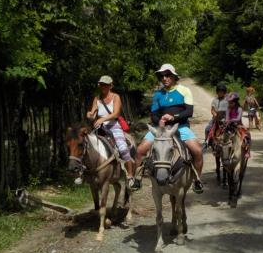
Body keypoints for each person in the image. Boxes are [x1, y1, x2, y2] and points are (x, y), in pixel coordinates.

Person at [130, 64, 204, 193]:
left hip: (181, 127)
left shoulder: (184, 90)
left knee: (197, 151)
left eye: (167, 75)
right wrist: (159, 121)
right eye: (162, 76)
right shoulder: (158, 94)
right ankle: (137, 178)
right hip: (160, 129)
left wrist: (173, 117)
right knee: (140, 150)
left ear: (174, 77)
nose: (164, 78)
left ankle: (197, 180)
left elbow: (189, 112)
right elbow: (153, 114)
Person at [86, 75, 135, 181]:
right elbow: (93, 113)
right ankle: (84, 173)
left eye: (106, 85)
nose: (103, 87)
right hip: (99, 127)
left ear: (110, 86)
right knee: (87, 145)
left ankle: (130, 175)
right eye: (102, 84)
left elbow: (116, 113)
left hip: (113, 126)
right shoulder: (97, 98)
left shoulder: (115, 97)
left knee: (122, 148)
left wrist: (103, 119)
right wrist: (90, 115)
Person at [226, 92, 251, 158]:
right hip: (229, 125)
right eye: (229, 102)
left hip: (238, 125)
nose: (230, 104)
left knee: (248, 135)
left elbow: (238, 118)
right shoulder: (228, 109)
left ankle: (248, 152)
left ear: (235, 102)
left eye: (231, 102)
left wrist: (230, 120)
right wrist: (227, 121)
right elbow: (227, 117)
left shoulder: (239, 109)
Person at [204, 82, 228, 146]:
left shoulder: (227, 101)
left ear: (224, 92)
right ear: (217, 92)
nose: (220, 93)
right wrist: (215, 115)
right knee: (207, 128)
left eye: (222, 91)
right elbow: (212, 110)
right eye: (219, 91)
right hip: (215, 119)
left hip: (225, 119)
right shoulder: (215, 100)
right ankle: (207, 141)